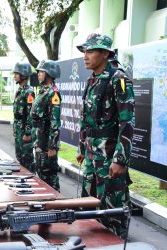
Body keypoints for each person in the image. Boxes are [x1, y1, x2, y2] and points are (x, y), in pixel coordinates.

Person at [75, 33, 134, 238]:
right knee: (89, 205)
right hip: (92, 155)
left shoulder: (118, 79)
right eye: (84, 51)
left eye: (90, 51)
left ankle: (117, 242)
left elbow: (127, 122)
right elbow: (86, 117)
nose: (85, 55)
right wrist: (82, 147)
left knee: (112, 206)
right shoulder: (92, 81)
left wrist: (120, 160)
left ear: (105, 54)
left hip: (109, 156)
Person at [26, 60, 62, 191]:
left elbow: (55, 122)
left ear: (49, 73)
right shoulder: (43, 91)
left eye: (41, 72)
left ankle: (57, 203)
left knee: (49, 176)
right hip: (39, 139)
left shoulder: (53, 93)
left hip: (47, 142)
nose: (39, 74)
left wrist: (52, 146)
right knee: (41, 173)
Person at [12, 62, 35, 170]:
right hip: (18, 128)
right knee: (20, 156)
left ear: (24, 75)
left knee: (27, 158)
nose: (14, 76)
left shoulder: (29, 92)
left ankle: (32, 181)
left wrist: (27, 132)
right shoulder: (20, 90)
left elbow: (30, 114)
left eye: (17, 73)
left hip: (24, 129)